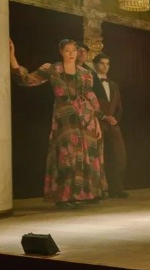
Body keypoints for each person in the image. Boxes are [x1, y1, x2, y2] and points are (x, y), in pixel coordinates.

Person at [9, 39, 106, 208]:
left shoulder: (85, 73)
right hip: (64, 118)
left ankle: (88, 194)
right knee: (66, 154)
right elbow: (27, 79)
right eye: (67, 50)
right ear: (61, 52)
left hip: (86, 118)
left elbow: (90, 96)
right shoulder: (52, 69)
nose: (71, 54)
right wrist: (12, 56)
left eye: (74, 50)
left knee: (87, 154)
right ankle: (65, 196)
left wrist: (97, 120)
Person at [93, 53, 129, 199]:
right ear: (95, 64)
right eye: (102, 63)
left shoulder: (113, 84)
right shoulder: (91, 82)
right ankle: (99, 190)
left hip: (112, 125)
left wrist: (115, 119)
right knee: (98, 156)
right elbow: (89, 103)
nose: (105, 66)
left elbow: (119, 105)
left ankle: (117, 189)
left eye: (107, 64)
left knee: (118, 155)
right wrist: (103, 117)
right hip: (97, 123)